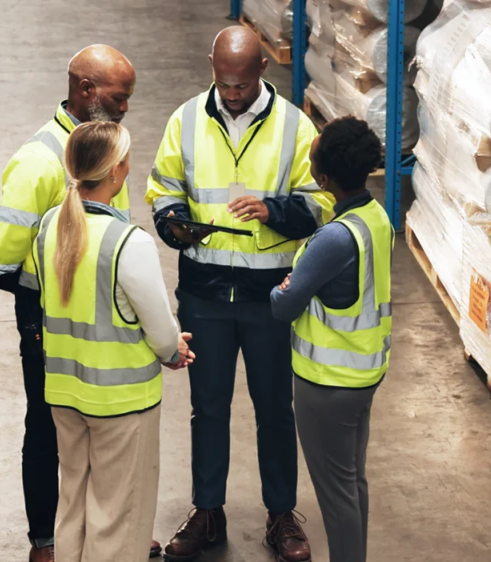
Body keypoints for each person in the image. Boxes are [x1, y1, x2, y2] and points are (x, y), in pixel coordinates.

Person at [145, 26, 334, 562]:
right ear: (211, 65)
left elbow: (319, 202)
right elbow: (163, 188)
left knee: (275, 408)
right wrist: (174, 224)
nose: (231, 94)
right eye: (224, 83)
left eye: (242, 85)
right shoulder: (184, 119)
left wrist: (273, 210)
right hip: (204, 293)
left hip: (268, 295)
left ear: (262, 73)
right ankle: (208, 512)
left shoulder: (296, 127)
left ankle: (281, 516)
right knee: (207, 408)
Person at [0, 45, 162, 561]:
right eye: (119, 97)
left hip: (103, 317)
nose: (126, 107)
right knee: (48, 424)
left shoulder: (106, 149)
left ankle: (111, 530)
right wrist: (57, 294)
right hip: (50, 319)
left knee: (99, 429)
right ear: (86, 91)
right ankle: (46, 540)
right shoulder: (38, 163)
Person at [32, 121, 194, 562]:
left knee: (74, 510)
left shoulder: (51, 226)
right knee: (117, 521)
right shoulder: (128, 243)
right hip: (122, 403)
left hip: (65, 394)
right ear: (117, 172)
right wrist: (172, 350)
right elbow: (159, 328)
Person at [269, 117, 393, 562]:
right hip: (362, 375)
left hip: (327, 383)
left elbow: (283, 306)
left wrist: (283, 285)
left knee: (336, 494)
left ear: (323, 179)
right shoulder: (373, 217)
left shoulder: (333, 240)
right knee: (352, 481)